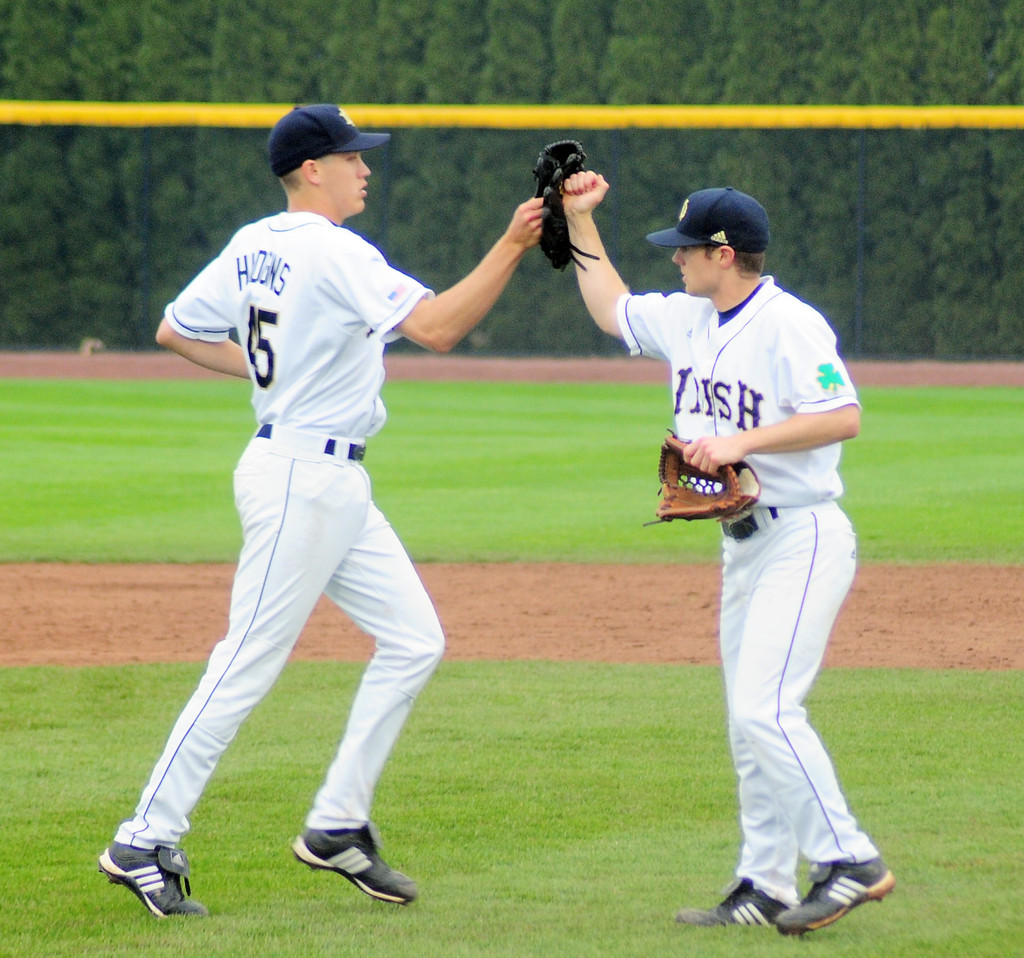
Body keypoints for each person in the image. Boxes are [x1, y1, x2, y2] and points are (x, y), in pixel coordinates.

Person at [98, 104, 543, 918]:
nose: (365, 168)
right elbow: (439, 328)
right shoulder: (337, 251)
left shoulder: (253, 243)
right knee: (246, 660)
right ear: (312, 169)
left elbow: (174, 331)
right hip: (302, 476)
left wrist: (276, 374)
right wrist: (512, 243)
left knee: (415, 640)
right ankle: (142, 837)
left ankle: (337, 823)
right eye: (351, 156)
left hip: (323, 476)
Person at [561, 175, 894, 936]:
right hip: (741, 543)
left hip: (802, 535)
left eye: (687, 249)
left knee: (764, 708)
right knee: (748, 723)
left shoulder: (790, 324)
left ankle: (849, 859)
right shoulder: (688, 319)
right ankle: (765, 884)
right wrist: (579, 220)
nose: (675, 260)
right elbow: (612, 307)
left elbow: (842, 415)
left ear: (724, 254)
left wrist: (742, 440)